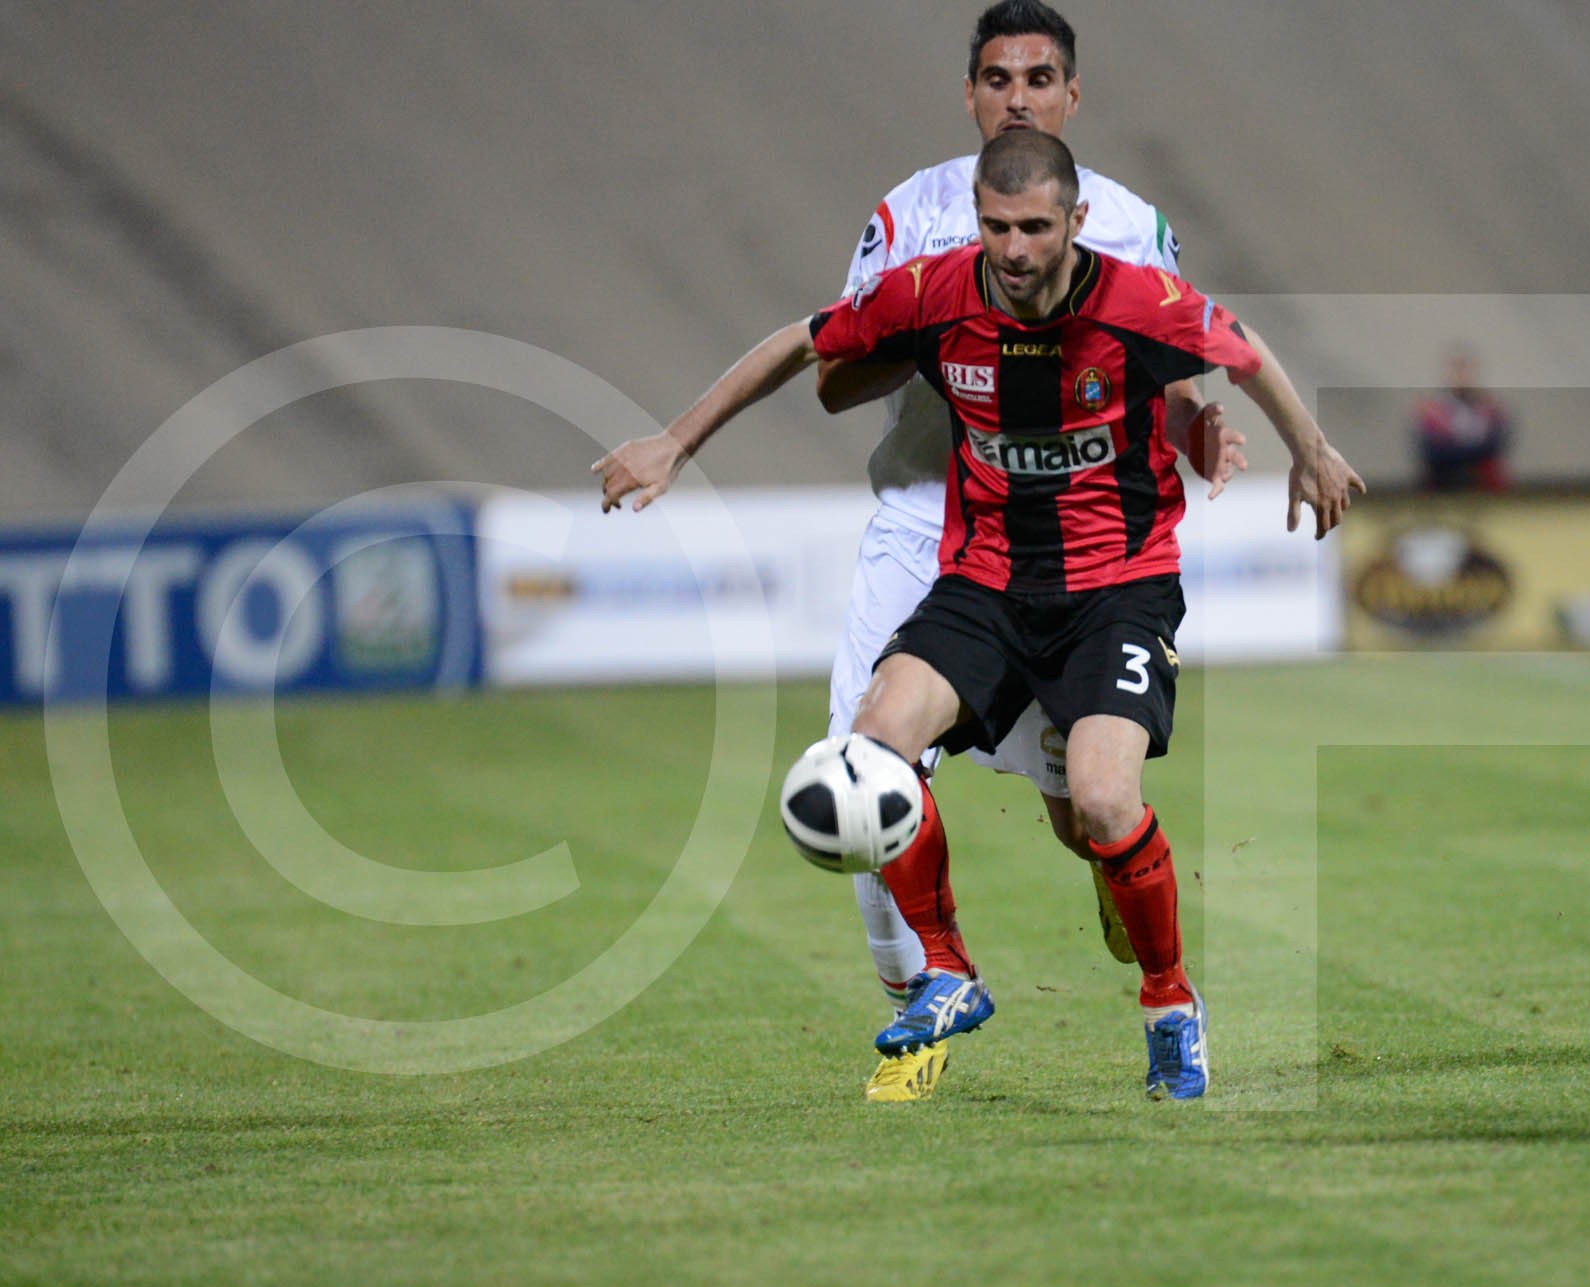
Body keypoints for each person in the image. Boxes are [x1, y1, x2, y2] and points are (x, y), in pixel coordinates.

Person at [593, 1, 1232, 1103]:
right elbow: (837, 375)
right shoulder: (914, 217)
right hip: (925, 515)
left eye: (1039, 79)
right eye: (997, 78)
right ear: (970, 91)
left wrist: (1188, 414)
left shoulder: (1126, 221)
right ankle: (922, 1012)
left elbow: (1167, 360)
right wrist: (939, 329)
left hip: (1074, 536)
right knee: (862, 765)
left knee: (1086, 807)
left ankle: (1120, 892)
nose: (1017, 97)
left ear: (1072, 97)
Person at [818, 129, 1360, 1102]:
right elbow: (815, 344)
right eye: (997, 227)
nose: (1015, 248)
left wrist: (1309, 450)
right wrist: (721, 418)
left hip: (1116, 589)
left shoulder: (1136, 299)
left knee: (1101, 807)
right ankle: (946, 972)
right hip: (985, 582)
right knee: (871, 747)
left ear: (1075, 220)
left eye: (1034, 226)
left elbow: (1239, 349)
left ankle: (1170, 1003)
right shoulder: (941, 288)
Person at [1412, 344, 1510, 491]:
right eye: (1456, 369)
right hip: (1442, 474)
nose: (1461, 375)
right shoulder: (1433, 409)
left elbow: (1496, 444)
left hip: (1480, 473)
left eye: (1465, 368)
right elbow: (1429, 449)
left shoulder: (1489, 408)